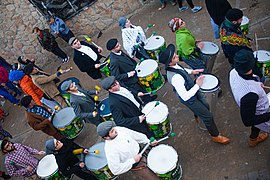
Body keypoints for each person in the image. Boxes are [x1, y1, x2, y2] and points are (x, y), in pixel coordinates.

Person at [159, 44, 230, 144]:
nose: (177, 56)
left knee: (204, 105)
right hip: (189, 98)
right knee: (208, 116)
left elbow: (182, 70)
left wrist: (192, 71)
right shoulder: (176, 78)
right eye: (174, 57)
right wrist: (197, 85)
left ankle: (197, 116)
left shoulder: (174, 66)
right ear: (170, 63)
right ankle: (215, 136)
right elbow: (185, 96)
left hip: (192, 90)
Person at [229, 49, 269, 147]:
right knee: (256, 123)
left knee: (256, 126)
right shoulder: (250, 95)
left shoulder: (233, 72)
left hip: (253, 106)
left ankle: (253, 140)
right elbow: (248, 121)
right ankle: (253, 140)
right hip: (260, 113)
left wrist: (257, 83)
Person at [106, 38, 157, 103]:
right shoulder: (114, 61)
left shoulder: (119, 51)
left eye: (118, 44)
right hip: (130, 81)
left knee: (144, 89)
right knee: (141, 93)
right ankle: (148, 103)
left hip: (135, 74)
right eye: (117, 46)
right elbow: (116, 76)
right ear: (112, 49)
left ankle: (149, 98)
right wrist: (128, 74)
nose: (120, 46)